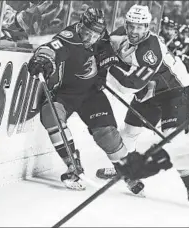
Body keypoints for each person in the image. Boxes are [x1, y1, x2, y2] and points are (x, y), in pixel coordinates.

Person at [27, 7, 144, 194]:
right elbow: (51, 48)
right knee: (51, 115)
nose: (90, 39)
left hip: (91, 93)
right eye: (87, 33)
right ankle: (73, 166)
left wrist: (101, 77)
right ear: (81, 25)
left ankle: (128, 172)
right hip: (66, 93)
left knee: (107, 134)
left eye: (94, 35)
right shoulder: (69, 37)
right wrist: (42, 58)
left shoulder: (103, 37)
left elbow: (106, 57)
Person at [96, 4, 189, 203]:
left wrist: (109, 64)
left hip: (175, 92)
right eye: (132, 26)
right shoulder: (121, 35)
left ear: (148, 27)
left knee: (172, 139)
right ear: (126, 24)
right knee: (129, 131)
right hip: (149, 92)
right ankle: (125, 167)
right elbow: (101, 44)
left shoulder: (150, 50)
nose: (135, 31)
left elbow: (129, 86)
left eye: (140, 27)